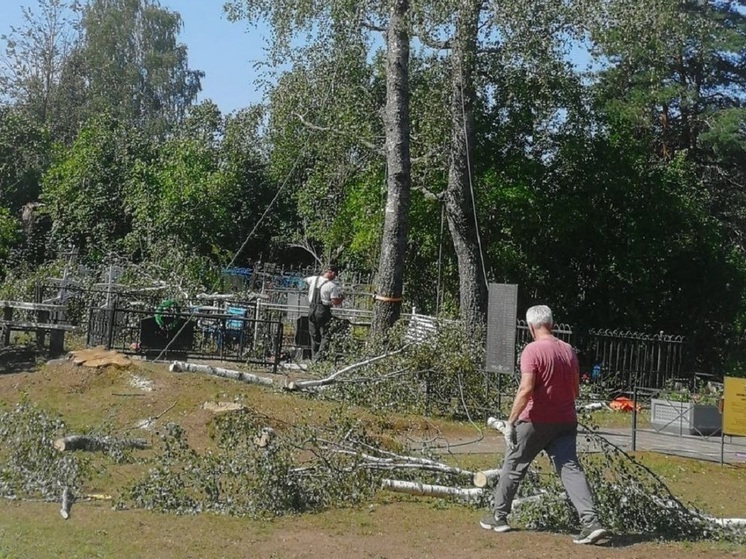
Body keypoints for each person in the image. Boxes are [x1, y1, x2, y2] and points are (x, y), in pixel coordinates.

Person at [480, 305, 608, 545]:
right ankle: (591, 522)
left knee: (514, 463)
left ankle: (499, 517)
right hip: (566, 421)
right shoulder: (568, 350)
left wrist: (510, 421)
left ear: (530, 326)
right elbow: (575, 390)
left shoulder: (532, 350)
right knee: (570, 468)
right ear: (552, 323)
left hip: (535, 421)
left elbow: (526, 388)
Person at [304, 265, 344, 361]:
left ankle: (314, 358)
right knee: (326, 335)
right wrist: (342, 298)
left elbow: (304, 280)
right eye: (335, 275)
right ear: (332, 273)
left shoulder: (313, 279)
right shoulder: (332, 285)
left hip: (311, 309)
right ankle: (318, 358)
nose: (335, 277)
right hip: (323, 310)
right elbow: (334, 301)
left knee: (314, 335)